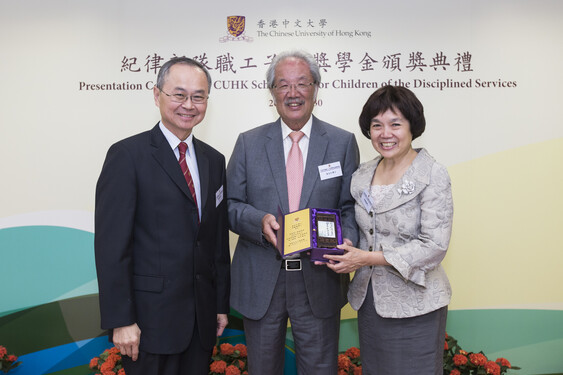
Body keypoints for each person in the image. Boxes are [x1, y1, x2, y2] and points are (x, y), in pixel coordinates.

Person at [94, 57, 230, 375]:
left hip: (200, 322)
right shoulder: (127, 156)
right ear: (157, 96)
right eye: (178, 94)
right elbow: (112, 247)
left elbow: (216, 242)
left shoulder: (214, 160)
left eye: (198, 96)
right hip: (148, 323)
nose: (189, 105)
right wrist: (121, 320)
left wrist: (220, 305)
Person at [226, 50, 360, 374]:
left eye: (302, 83)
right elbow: (229, 205)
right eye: (283, 85)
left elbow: (350, 207)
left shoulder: (342, 143)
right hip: (262, 279)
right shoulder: (248, 143)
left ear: (315, 88)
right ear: (272, 93)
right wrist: (258, 222)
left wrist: (346, 244)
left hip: (319, 277)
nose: (293, 93)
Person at [322, 85, 453, 374]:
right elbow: (356, 225)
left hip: (416, 303)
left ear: (412, 126)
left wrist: (365, 259)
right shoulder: (363, 174)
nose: (385, 133)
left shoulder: (432, 173)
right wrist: (339, 247)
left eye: (395, 124)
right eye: (377, 125)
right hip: (370, 301)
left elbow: (434, 245)